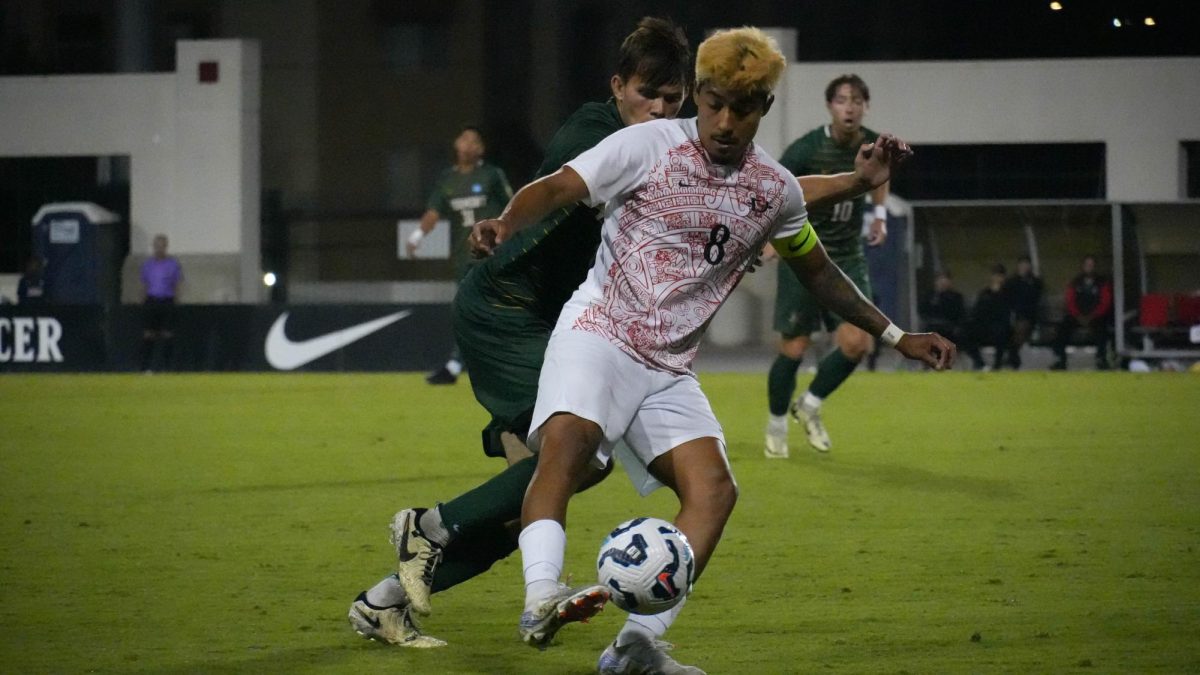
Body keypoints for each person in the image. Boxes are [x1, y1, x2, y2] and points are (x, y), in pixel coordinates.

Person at [471, 28, 953, 672]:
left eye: (743, 108)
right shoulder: (646, 144)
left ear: (765, 110)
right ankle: (540, 598)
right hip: (599, 331)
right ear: (698, 95)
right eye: (716, 103)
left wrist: (897, 335)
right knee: (569, 444)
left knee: (714, 493)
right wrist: (506, 220)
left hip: (667, 366)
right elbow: (558, 186)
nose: (726, 122)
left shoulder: (772, 189)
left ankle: (636, 645)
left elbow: (817, 271)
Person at [349, 17, 693, 657]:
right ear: (619, 87)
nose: (662, 109)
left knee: (532, 506)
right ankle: (428, 526)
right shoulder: (594, 132)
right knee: (580, 458)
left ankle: (381, 603)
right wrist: (504, 220)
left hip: (553, 323)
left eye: (675, 99)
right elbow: (556, 185)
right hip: (506, 309)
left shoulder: (662, 149)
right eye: (650, 93)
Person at [764, 73, 892, 458]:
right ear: (830, 106)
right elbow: (776, 188)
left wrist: (880, 214)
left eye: (856, 100)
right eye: (841, 100)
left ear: (865, 106)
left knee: (858, 342)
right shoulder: (806, 149)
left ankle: (811, 404)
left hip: (847, 257)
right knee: (794, 346)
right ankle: (775, 427)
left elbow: (880, 176)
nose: (849, 107)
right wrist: (771, 240)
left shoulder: (873, 146)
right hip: (803, 255)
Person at [406, 125, 513, 385]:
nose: (468, 144)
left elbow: (513, 206)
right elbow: (434, 213)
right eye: (464, 139)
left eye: (474, 141)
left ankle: (458, 365)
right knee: (468, 312)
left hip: (492, 256)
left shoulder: (491, 175)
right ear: (456, 145)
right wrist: (417, 236)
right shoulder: (447, 180)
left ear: (481, 149)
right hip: (463, 259)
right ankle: (474, 365)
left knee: (482, 309)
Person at [1051, 254, 1112, 370]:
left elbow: (1105, 301)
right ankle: (1060, 359)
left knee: (1102, 329)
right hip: (1077, 316)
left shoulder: (1102, 283)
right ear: (1083, 267)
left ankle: (1101, 359)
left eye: (1091, 265)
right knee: (1062, 328)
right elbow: (1070, 301)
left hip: (1096, 316)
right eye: (1087, 265)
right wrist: (1078, 315)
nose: (1089, 267)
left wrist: (1093, 315)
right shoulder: (1075, 282)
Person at [139, 234, 182, 372]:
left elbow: (177, 284)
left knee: (167, 334)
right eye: (156, 246)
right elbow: (144, 285)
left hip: (167, 300)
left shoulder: (173, 264)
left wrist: (176, 301)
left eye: (162, 246)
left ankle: (166, 367)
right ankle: (146, 367)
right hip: (152, 300)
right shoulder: (147, 265)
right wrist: (142, 301)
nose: (159, 249)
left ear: (166, 247)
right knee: (148, 334)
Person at [964, 264, 1013, 371]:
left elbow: (1004, 311)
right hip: (984, 327)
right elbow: (978, 311)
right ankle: (979, 363)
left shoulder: (1008, 293)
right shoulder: (984, 293)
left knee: (1002, 333)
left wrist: (997, 294)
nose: (997, 278)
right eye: (995, 275)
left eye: (1000, 276)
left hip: (1000, 327)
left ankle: (997, 365)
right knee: (966, 335)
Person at [1002, 254, 1043, 369]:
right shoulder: (1011, 282)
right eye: (1022, 264)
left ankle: (1012, 355)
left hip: (1029, 316)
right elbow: (1006, 300)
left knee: (1022, 326)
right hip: (1013, 315)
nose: (1024, 267)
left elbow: (1035, 301)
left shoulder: (1035, 282)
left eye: (1026, 264)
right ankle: (1013, 356)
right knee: (1016, 326)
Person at [919, 270, 966, 344]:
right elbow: (923, 311)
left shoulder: (956, 297)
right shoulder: (929, 296)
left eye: (945, 280)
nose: (942, 282)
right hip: (932, 327)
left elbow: (960, 314)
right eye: (940, 279)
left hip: (949, 328)